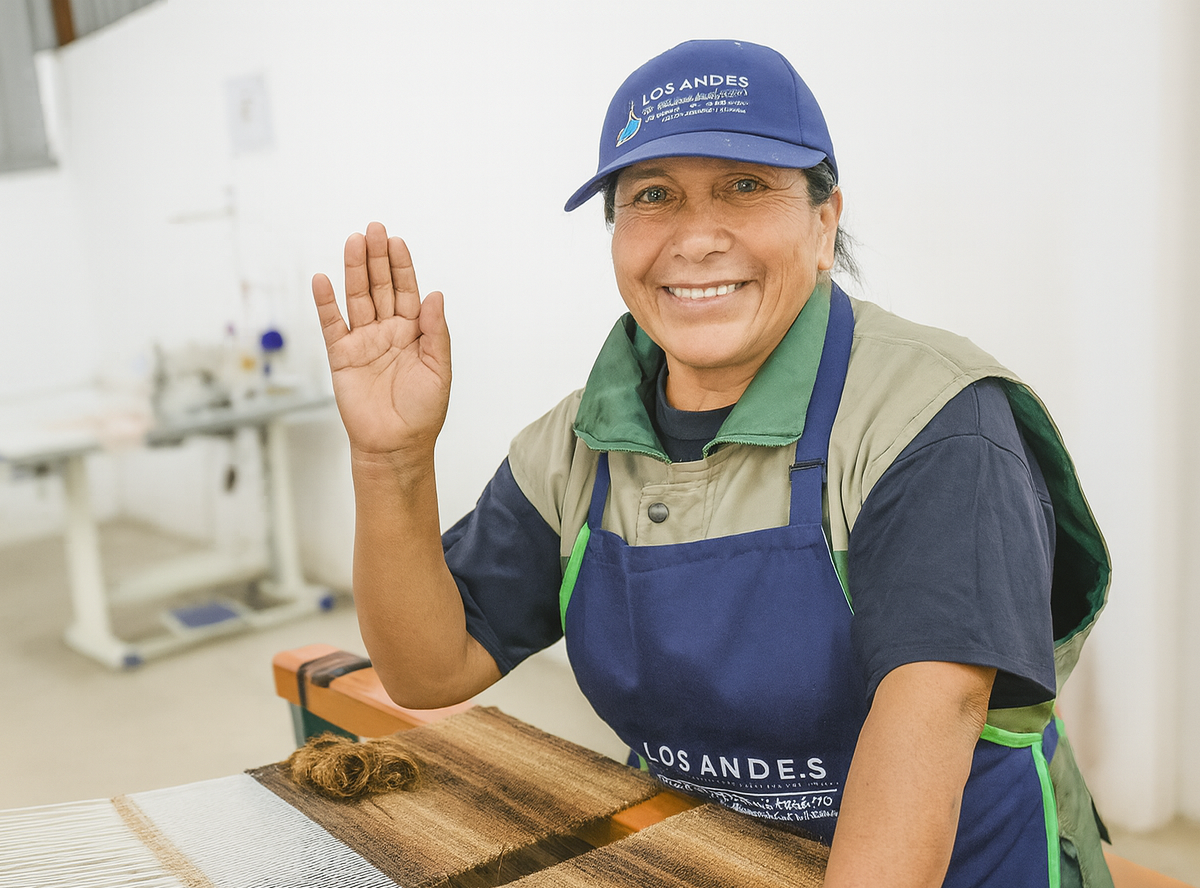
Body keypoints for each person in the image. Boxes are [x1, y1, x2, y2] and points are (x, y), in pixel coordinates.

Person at [311, 39, 1112, 888]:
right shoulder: (578, 442)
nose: (695, 239)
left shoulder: (932, 420)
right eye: (652, 196)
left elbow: (934, 707)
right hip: (703, 859)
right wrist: (390, 459)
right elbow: (429, 671)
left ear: (823, 221)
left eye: (744, 186)